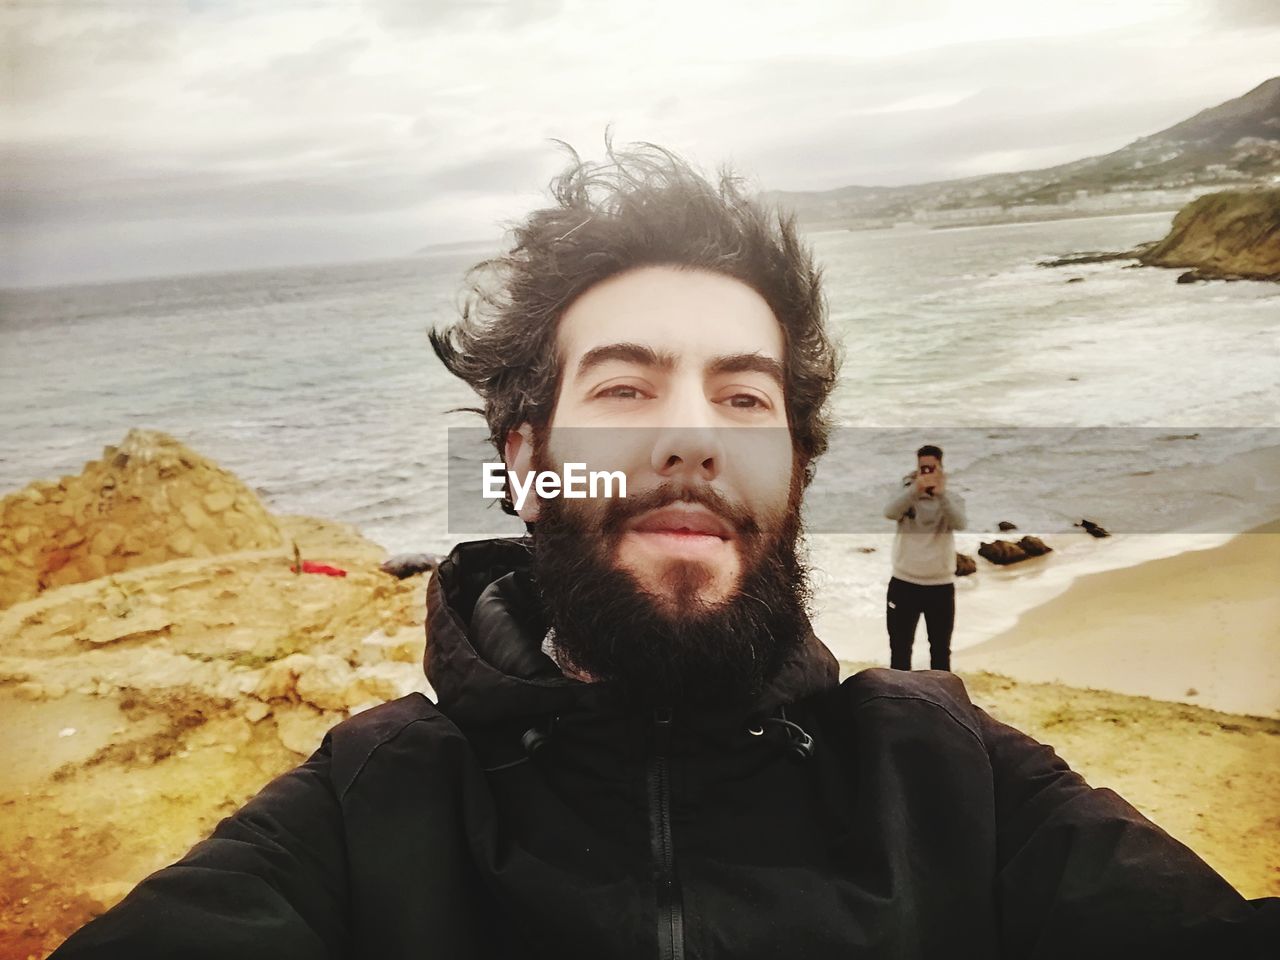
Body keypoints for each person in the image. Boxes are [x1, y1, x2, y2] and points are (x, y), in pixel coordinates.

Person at [53, 144, 1278, 959]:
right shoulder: (372, 804)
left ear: (795, 471)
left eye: (744, 400)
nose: (692, 435)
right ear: (526, 458)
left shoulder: (951, 777)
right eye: (627, 388)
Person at [883, 443, 966, 671]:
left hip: (940, 585)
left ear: (941, 468)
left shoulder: (952, 495)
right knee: (900, 652)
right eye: (923, 468)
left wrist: (941, 496)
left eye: (932, 468)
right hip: (904, 582)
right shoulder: (906, 491)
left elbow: (961, 523)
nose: (927, 473)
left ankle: (939, 705)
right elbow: (889, 512)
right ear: (917, 468)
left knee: (940, 653)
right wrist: (914, 490)